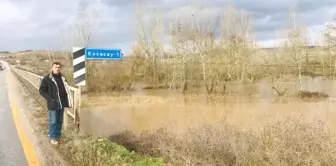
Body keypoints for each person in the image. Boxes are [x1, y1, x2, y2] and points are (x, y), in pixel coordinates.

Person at [39, 62, 72, 145]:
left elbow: (66, 90)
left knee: (60, 120)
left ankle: (57, 135)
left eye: (58, 67)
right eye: (55, 67)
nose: (57, 68)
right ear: (52, 68)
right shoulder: (47, 78)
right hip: (53, 104)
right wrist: (50, 99)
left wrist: (67, 102)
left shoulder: (63, 77)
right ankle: (53, 138)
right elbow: (42, 91)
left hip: (62, 103)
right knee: (53, 121)